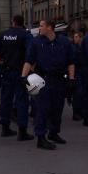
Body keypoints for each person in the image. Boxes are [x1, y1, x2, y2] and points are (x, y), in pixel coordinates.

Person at [21, 20, 75, 150]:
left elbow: (71, 62)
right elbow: (29, 60)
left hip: (59, 80)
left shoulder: (64, 42)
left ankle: (53, 133)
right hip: (42, 80)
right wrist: (23, 77)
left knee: (58, 107)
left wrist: (72, 79)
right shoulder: (36, 42)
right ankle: (41, 137)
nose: (39, 28)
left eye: (41, 26)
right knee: (42, 109)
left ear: (50, 28)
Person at [0, 15, 34, 141]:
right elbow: (30, 54)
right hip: (21, 72)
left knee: (5, 99)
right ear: (22, 23)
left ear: (13, 22)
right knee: (22, 101)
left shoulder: (3, 34)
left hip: (7, 71)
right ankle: (22, 131)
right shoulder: (25, 35)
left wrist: (1, 62)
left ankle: (5, 127)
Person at [72, 31, 85, 121]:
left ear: (81, 38)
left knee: (81, 93)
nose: (75, 38)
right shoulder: (74, 48)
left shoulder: (82, 48)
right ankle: (76, 113)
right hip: (76, 72)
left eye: (76, 37)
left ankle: (80, 111)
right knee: (77, 93)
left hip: (82, 72)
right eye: (74, 37)